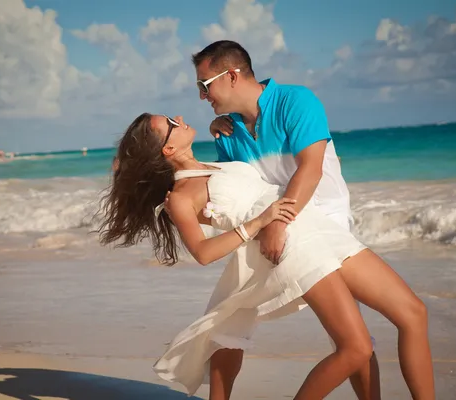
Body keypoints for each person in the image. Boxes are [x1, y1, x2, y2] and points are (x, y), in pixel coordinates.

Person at [99, 112, 435, 400]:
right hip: (294, 246)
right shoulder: (180, 198)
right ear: (168, 148)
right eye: (172, 122)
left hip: (317, 227)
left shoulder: (213, 163)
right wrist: (258, 224)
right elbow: (203, 253)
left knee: (413, 311)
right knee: (357, 348)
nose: (181, 118)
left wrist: (224, 123)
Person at [192, 40, 380, 399]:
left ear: (231, 75)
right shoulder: (228, 133)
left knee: (351, 338)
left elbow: (309, 170)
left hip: (324, 223)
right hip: (274, 222)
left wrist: (277, 224)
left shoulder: (296, 101)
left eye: (204, 85)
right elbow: (240, 190)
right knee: (228, 316)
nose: (202, 96)